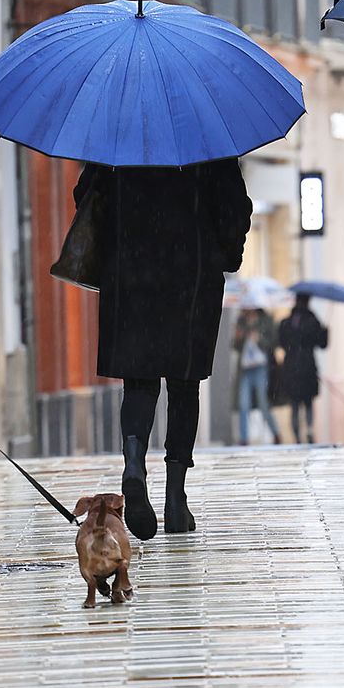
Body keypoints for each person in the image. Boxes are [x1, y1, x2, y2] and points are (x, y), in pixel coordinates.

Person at [75, 160, 251, 540]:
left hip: (132, 269)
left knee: (139, 382)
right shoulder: (208, 137)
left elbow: (86, 196)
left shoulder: (119, 136)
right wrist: (224, 255)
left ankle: (134, 464)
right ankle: (175, 497)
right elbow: (234, 206)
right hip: (192, 272)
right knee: (184, 385)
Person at [277, 294, 330, 444]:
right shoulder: (312, 321)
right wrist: (325, 332)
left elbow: (281, 342)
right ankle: (309, 430)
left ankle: (297, 436)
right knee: (308, 402)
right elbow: (322, 344)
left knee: (294, 404)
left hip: (291, 368)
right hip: (307, 366)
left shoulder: (287, 322)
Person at [233, 308, 280, 445]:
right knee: (243, 404)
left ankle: (276, 433)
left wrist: (259, 339)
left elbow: (273, 343)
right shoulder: (241, 321)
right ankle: (244, 438)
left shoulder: (265, 320)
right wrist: (239, 337)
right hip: (245, 368)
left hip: (260, 367)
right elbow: (235, 346)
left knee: (263, 403)